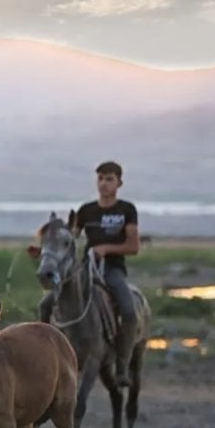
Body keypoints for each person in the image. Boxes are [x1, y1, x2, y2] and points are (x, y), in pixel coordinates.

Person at [72, 161, 141, 389]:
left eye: (109, 179)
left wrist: (105, 249)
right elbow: (71, 239)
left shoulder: (126, 210)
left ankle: (122, 366)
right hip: (85, 269)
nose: (104, 183)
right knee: (48, 302)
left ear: (119, 183)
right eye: (100, 178)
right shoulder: (86, 210)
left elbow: (133, 246)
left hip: (112, 269)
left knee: (129, 312)